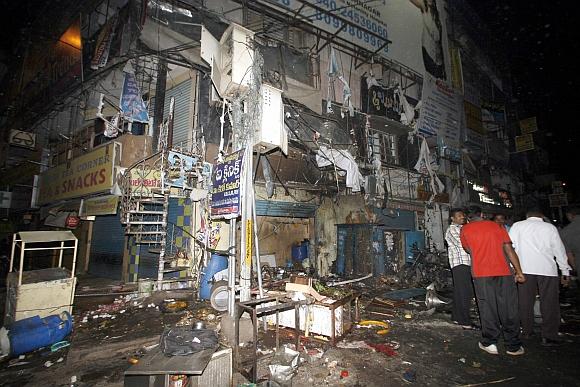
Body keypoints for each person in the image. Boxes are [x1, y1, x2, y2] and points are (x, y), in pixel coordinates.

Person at [460, 205, 526, 356]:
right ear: (482, 214)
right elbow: (509, 249)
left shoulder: (465, 230)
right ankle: (513, 346)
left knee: (487, 307)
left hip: (481, 273)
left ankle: (490, 343)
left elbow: (468, 249)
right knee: (509, 307)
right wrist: (519, 271)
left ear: (467, 218)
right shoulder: (497, 226)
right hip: (503, 271)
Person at [509, 208, 571, 346]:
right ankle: (549, 335)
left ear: (527, 216)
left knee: (525, 301)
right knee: (549, 302)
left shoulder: (517, 226)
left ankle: (526, 330)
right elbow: (559, 250)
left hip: (524, 268)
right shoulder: (550, 228)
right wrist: (565, 271)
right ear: (542, 216)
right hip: (547, 269)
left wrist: (512, 268)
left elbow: (510, 247)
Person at [444, 208, 475, 329]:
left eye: (463, 215)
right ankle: (464, 321)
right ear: (452, 218)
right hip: (460, 263)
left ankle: (457, 317)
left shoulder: (463, 228)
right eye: (459, 216)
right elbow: (464, 243)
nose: (462, 217)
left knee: (459, 291)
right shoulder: (452, 230)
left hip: (466, 263)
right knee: (464, 292)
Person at [409, 0, 447, 80]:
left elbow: (437, 36)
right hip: (430, 54)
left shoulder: (435, 12)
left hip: (436, 59)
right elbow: (436, 35)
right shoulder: (426, 8)